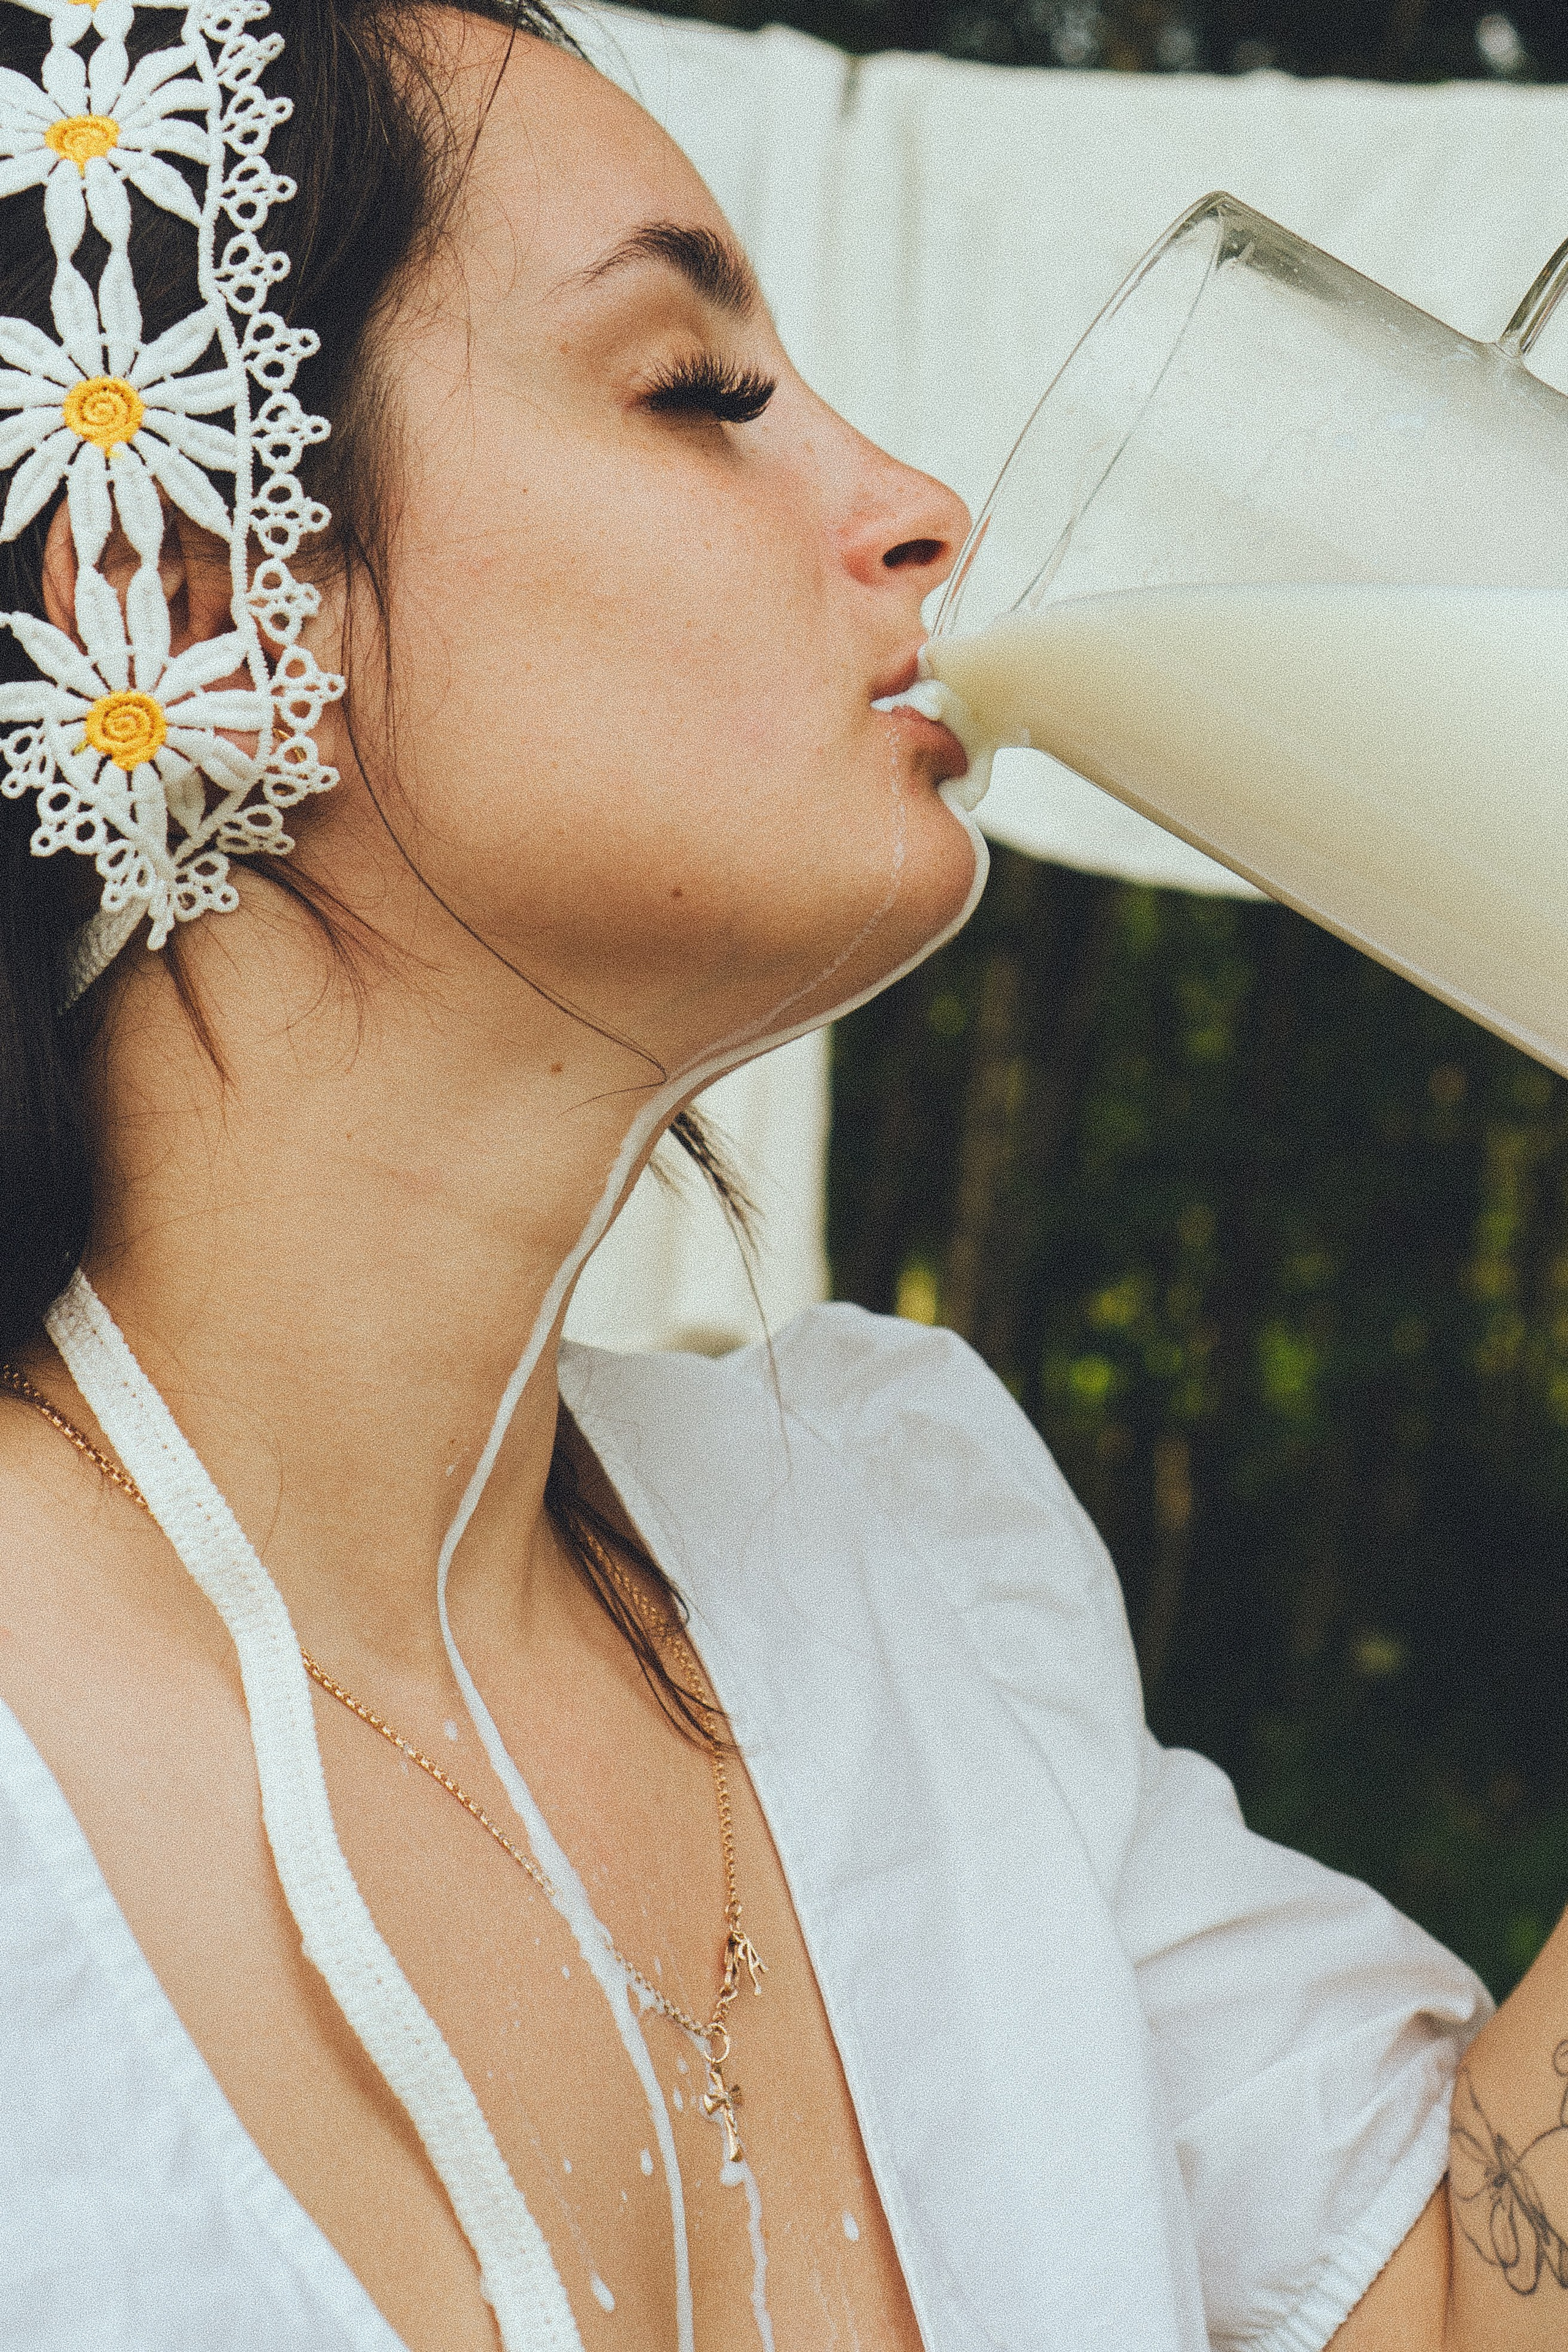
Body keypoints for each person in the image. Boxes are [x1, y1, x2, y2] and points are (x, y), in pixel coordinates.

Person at [0, 0, 1559, 2346]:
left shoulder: (896, 1568)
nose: (928, 502)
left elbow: (1451, 2304)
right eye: (695, 390)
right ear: (208, 596)